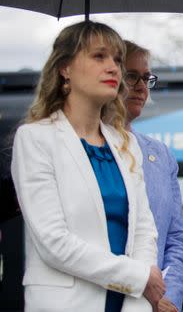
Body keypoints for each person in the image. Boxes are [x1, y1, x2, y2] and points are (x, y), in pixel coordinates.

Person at [11, 21, 164, 311]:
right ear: (64, 68)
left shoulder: (125, 144)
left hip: (129, 305)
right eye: (99, 56)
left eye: (117, 59)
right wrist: (138, 276)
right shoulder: (35, 139)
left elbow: (145, 229)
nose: (113, 68)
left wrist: (141, 286)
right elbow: (53, 243)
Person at [124, 41, 183, 312]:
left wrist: (169, 297)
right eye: (132, 76)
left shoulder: (161, 155)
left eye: (146, 78)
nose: (141, 87)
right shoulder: (86, 147)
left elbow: (177, 238)